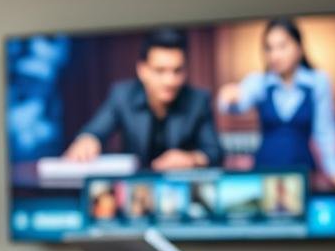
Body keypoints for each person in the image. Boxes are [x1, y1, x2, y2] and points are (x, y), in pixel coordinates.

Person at [217, 18, 335, 187]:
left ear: (299, 48)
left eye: (282, 46)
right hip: (264, 174)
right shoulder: (259, 82)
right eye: (269, 48)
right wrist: (229, 97)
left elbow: (325, 132)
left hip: (303, 174)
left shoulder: (318, 81)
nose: (275, 55)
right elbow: (235, 103)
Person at [63, 28, 222, 171]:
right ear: (142, 70)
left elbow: (214, 152)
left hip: (182, 192)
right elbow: (95, 131)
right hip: (133, 192)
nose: (170, 81)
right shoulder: (122, 95)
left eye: (177, 71)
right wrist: (88, 140)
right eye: (160, 71)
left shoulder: (198, 100)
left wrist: (191, 159)